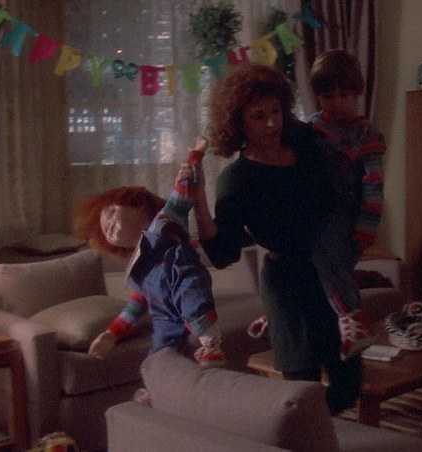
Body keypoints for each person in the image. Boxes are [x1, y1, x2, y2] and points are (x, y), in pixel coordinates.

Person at [190, 62, 361, 415]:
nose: (271, 123)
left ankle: (324, 431)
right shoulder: (237, 180)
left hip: (329, 275)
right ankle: (306, 434)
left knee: (350, 383)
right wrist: (198, 199)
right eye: (258, 116)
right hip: (288, 287)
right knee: (303, 393)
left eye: (275, 111)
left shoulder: (304, 144)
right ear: (238, 123)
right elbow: (223, 253)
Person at [74, 137, 225, 368]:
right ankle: (161, 376)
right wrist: (112, 333)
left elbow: (183, 191)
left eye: (112, 213)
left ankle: (211, 345)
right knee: (160, 351)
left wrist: (195, 155)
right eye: (106, 231)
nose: (109, 225)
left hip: (181, 275)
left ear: (139, 205)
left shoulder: (164, 220)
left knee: (191, 298)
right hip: (163, 311)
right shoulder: (137, 266)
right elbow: (136, 305)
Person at [306, 49, 386, 359]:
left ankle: (354, 318)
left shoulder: (368, 135)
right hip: (316, 212)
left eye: (344, 95)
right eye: (328, 96)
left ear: (355, 93)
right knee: (313, 264)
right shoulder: (309, 129)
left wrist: (367, 229)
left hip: (350, 216)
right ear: (318, 96)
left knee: (329, 260)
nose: (337, 103)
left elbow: (374, 184)